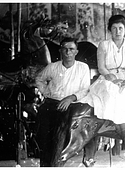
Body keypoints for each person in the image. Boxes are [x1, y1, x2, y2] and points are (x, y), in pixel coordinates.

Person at [78, 15, 125, 151]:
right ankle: (107, 126)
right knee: (109, 91)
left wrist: (121, 77)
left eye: (121, 28)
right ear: (110, 30)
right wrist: (111, 77)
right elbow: (101, 67)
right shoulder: (104, 45)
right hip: (107, 77)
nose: (118, 31)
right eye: (114, 28)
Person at [35, 37, 90, 166]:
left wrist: (70, 98)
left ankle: (56, 164)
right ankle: (45, 164)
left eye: (71, 49)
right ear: (60, 51)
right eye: (65, 49)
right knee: (44, 137)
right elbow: (39, 79)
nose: (68, 52)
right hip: (52, 103)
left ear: (76, 51)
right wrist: (45, 92)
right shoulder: (52, 67)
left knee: (60, 139)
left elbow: (85, 89)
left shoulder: (83, 68)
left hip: (72, 105)